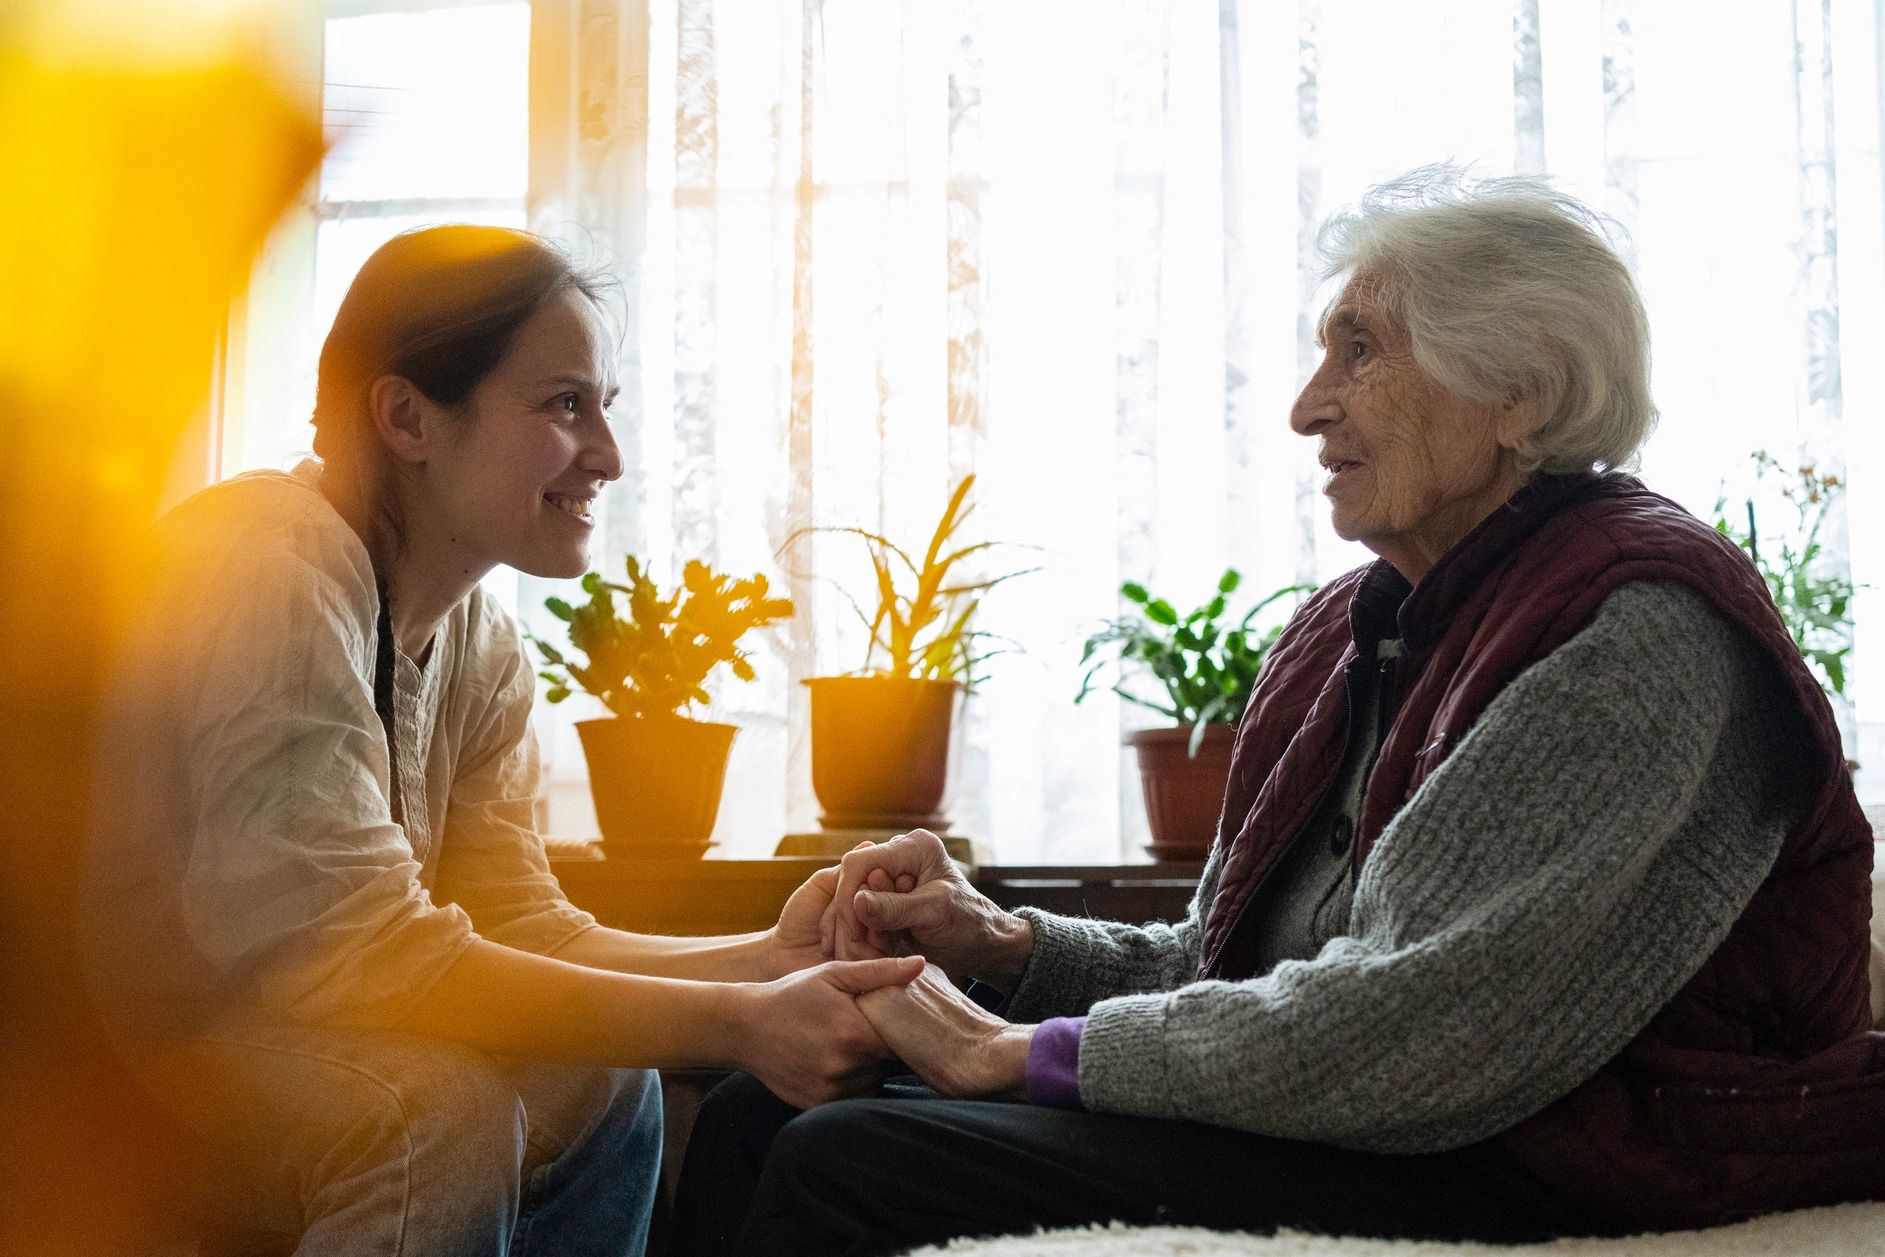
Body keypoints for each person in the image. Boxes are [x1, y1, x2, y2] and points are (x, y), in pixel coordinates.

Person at [673, 167, 1885, 1257]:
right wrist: (1004, 951)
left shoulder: (1635, 635)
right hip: (1392, 1120)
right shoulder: (1363, 624)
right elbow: (1228, 963)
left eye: (1360, 348)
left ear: (1521, 388)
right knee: (765, 1105)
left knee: (848, 1163)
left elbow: (1430, 1031)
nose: (1307, 406)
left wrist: (1017, 1054)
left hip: (1564, 1158)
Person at [83, 225, 923, 1256]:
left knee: (605, 1079)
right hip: (106, 1061)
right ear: (406, 418)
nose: (608, 456)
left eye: (603, 407)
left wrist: (762, 961)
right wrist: (735, 1024)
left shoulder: (480, 638)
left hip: (281, 1030)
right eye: (565, 404)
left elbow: (519, 923)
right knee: (428, 1117)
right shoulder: (270, 569)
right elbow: (361, 957)